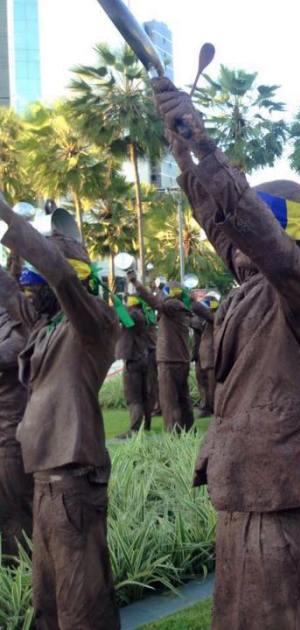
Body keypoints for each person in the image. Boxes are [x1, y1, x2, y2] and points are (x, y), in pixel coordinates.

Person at [152, 77, 300, 629]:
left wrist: (208, 146)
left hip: (289, 494)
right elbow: (221, 223)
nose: (234, 251)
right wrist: (183, 152)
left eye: (249, 236)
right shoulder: (251, 284)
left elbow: (264, 242)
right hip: (245, 488)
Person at [0, 199, 120, 628]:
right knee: (48, 605)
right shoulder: (46, 328)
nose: (28, 297)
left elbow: (62, 277)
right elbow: (9, 292)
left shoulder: (92, 325)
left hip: (74, 486)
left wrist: (8, 216)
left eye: (37, 288)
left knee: (82, 607)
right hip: (45, 484)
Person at [129, 275, 194, 432]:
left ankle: (173, 433)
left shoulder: (171, 305)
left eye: (164, 291)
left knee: (169, 400)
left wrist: (136, 283)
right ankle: (189, 430)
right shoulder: (180, 307)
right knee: (183, 399)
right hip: (180, 359)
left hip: (169, 359)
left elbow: (153, 301)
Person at [0, 303, 30, 561]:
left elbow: (15, 351)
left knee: (15, 508)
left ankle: (20, 565)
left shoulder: (18, 323)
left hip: (10, 433)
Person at [116, 295, 156, 433]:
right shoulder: (141, 314)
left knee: (134, 397)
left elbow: (119, 317)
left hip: (134, 360)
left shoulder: (133, 315)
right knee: (143, 395)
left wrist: (117, 305)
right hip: (141, 358)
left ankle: (135, 429)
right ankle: (146, 425)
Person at [191, 293, 219, 417]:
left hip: (211, 356)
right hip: (200, 356)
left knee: (212, 383)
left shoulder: (216, 316)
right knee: (201, 381)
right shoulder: (200, 319)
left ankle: (214, 407)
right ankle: (205, 406)